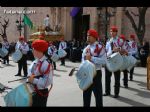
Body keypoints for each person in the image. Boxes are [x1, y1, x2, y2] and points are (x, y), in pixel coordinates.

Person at [82, 29, 106, 107]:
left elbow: (104, 61)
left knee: (98, 96)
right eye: (87, 36)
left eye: (90, 36)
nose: (87, 37)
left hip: (96, 74)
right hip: (87, 74)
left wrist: (92, 58)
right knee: (86, 96)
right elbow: (82, 61)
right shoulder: (86, 48)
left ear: (95, 37)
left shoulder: (100, 47)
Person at [27, 39, 53, 107]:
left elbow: (47, 82)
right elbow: (30, 74)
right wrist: (29, 79)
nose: (32, 51)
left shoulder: (46, 64)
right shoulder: (35, 61)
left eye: (34, 49)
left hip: (40, 92)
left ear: (39, 51)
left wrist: (34, 80)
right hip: (31, 90)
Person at [104, 26, 122, 98]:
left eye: (113, 31)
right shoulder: (108, 41)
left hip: (116, 60)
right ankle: (107, 91)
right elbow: (106, 51)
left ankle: (116, 93)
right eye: (111, 31)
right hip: (109, 59)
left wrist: (119, 49)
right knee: (107, 77)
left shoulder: (120, 41)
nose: (112, 33)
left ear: (116, 32)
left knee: (117, 78)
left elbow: (123, 49)